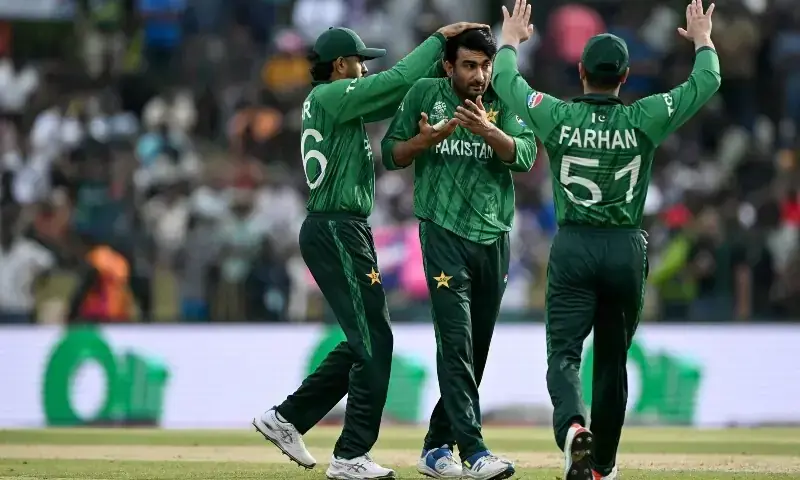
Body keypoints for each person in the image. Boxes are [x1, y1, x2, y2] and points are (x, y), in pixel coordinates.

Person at [491, 1, 720, 479]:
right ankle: (602, 467)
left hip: (573, 243)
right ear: (626, 75)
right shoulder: (646, 117)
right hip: (624, 247)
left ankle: (574, 428)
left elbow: (506, 80)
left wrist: (511, 38)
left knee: (564, 353)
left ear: (580, 71)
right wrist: (702, 38)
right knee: (612, 363)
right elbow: (707, 81)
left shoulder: (555, 115)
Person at [251, 21, 487, 480]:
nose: (364, 69)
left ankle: (288, 418)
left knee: (367, 340)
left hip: (341, 228)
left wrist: (423, 137)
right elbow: (396, 83)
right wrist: (438, 41)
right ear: (340, 65)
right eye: (360, 61)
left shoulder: (334, 105)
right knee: (375, 342)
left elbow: (387, 117)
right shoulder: (329, 96)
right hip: (337, 228)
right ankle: (350, 455)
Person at [381, 28, 536, 480]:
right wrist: (424, 142)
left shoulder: (503, 97)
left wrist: (489, 131)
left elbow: (525, 156)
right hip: (442, 230)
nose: (480, 75)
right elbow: (392, 154)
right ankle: (474, 451)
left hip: (493, 236)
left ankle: (435, 447)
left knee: (476, 349)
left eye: (486, 66)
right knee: (456, 345)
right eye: (470, 66)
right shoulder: (424, 94)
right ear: (449, 66)